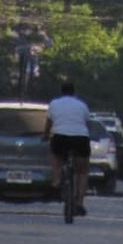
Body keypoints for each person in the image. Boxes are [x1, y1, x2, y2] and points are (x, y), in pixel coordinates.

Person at [44, 80, 92, 216]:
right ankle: (80, 203)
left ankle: (57, 178)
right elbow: (87, 124)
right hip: (80, 138)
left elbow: (48, 123)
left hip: (60, 138)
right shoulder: (82, 105)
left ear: (61, 91)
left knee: (54, 153)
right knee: (83, 171)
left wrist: (46, 135)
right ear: (74, 92)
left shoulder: (54, 104)